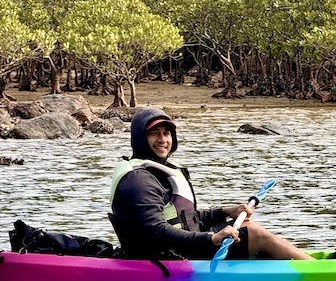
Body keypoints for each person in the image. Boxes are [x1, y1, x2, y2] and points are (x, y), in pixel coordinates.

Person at [109, 108, 312, 261]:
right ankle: (314, 269)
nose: (162, 140)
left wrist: (225, 211)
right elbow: (155, 231)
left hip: (180, 246)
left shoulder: (159, 170)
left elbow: (188, 219)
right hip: (162, 256)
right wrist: (211, 239)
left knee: (247, 226)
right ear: (140, 138)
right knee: (255, 235)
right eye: (154, 133)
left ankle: (316, 261)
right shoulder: (139, 180)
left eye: (166, 133)